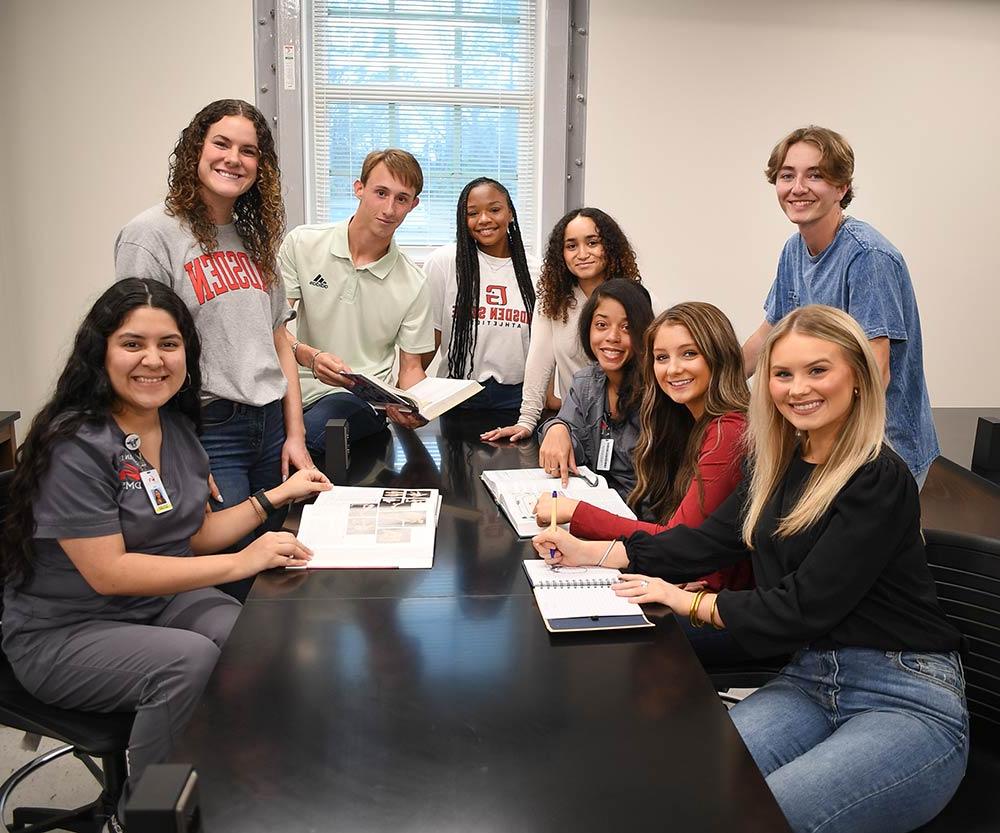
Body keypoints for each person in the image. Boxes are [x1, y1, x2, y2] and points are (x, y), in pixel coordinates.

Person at [535, 305, 968, 833]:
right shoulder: (778, 465)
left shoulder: (877, 475)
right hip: (809, 680)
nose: (797, 388)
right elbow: (704, 543)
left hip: (903, 697)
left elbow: (801, 607)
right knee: (674, 784)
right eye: (782, 373)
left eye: (818, 370)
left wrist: (687, 601)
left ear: (857, 376)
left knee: (752, 817)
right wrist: (594, 554)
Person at [0, 279, 329, 828]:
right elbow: (108, 573)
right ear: (100, 351)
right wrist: (244, 561)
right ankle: (144, 817)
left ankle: (234, 786)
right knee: (188, 662)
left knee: (249, 634)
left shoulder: (175, 428)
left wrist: (275, 497)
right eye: (133, 344)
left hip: (152, 605)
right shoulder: (75, 444)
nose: (152, 360)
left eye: (169, 344)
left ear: (186, 354)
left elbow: (193, 535)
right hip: (63, 632)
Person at [114, 99, 310, 569]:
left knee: (275, 565)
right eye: (221, 143)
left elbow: (278, 339)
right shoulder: (150, 235)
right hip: (206, 427)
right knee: (227, 568)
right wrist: (174, 454)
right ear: (194, 150)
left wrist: (296, 433)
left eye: (249, 151)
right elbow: (140, 362)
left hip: (270, 424)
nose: (233, 159)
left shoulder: (255, 239)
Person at [741, 125, 938, 488]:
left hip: (880, 447)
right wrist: (720, 384)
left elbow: (876, 370)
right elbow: (767, 335)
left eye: (814, 175)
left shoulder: (868, 257)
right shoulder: (793, 250)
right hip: (825, 436)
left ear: (841, 187)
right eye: (787, 175)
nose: (797, 188)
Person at [534, 301, 753, 593]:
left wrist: (577, 513)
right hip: (697, 579)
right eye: (661, 357)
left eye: (689, 354)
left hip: (724, 601)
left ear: (719, 356)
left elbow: (677, 537)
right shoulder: (687, 419)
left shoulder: (728, 430)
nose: (672, 369)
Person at [278, 149, 436, 453]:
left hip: (358, 400)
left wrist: (418, 406)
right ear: (358, 188)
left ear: (413, 205)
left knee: (315, 434)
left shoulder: (414, 283)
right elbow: (274, 329)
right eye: (380, 193)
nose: (389, 208)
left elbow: (411, 368)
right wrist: (306, 355)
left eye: (401, 199)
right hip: (292, 386)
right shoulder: (302, 243)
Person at [481, 207, 651, 443]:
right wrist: (527, 420)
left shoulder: (636, 300)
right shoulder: (553, 300)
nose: (582, 254)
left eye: (592, 243)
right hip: (578, 427)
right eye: (571, 246)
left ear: (610, 247)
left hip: (632, 427)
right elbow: (539, 361)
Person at [424, 177, 539, 411]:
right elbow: (431, 335)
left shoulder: (537, 271)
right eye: (473, 213)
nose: (484, 219)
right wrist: (409, 392)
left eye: (494, 209)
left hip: (517, 397)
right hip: (456, 392)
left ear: (510, 213)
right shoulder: (444, 262)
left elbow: (544, 347)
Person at [536, 279, 654, 500]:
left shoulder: (658, 391)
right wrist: (555, 428)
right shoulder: (586, 382)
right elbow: (570, 439)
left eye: (627, 327)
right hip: (597, 503)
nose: (612, 337)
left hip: (646, 520)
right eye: (601, 325)